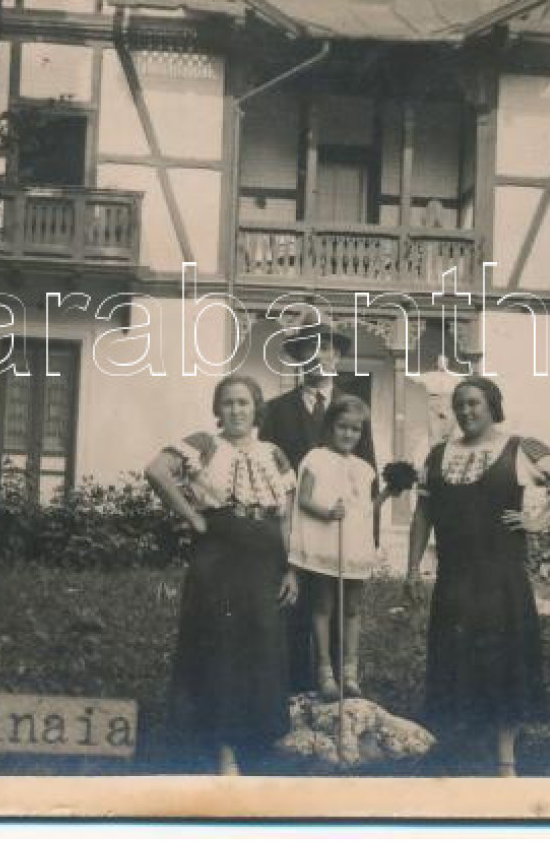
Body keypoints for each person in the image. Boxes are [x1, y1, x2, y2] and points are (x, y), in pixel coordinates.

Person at [404, 376, 550, 777]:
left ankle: (505, 760)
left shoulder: (520, 449)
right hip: (454, 580)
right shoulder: (436, 456)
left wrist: (538, 522)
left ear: (492, 406)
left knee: (504, 663)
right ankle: (459, 755)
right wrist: (412, 569)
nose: (466, 412)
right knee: (455, 661)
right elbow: (423, 515)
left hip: (501, 579)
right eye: (460, 405)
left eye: (474, 404)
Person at [144, 374, 299, 775]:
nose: (235, 410)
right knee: (222, 648)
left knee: (261, 645)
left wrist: (290, 568)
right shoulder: (204, 444)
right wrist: (192, 515)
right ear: (218, 410)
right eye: (228, 403)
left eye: (243, 403)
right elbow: (157, 471)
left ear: (256, 408)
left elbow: (286, 515)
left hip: (265, 559)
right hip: (220, 556)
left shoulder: (274, 453)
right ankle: (223, 748)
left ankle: (258, 739)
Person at [257, 321, 377, 693]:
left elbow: (368, 473)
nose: (317, 357)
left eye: (325, 349)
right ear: (297, 359)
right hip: (297, 526)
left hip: (342, 529)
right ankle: (296, 690)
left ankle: (342, 681)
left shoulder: (353, 411)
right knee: (295, 609)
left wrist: (367, 537)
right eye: (307, 349)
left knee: (340, 607)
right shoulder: (277, 411)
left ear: (337, 356)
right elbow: (267, 471)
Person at [288, 396, 402, 700]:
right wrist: (327, 512)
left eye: (355, 429)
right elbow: (303, 498)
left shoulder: (364, 468)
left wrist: (389, 493)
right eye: (342, 427)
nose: (349, 434)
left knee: (352, 609)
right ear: (330, 427)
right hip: (327, 542)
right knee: (323, 606)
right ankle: (325, 671)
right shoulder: (315, 458)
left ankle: (350, 672)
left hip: (354, 545)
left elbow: (365, 510)